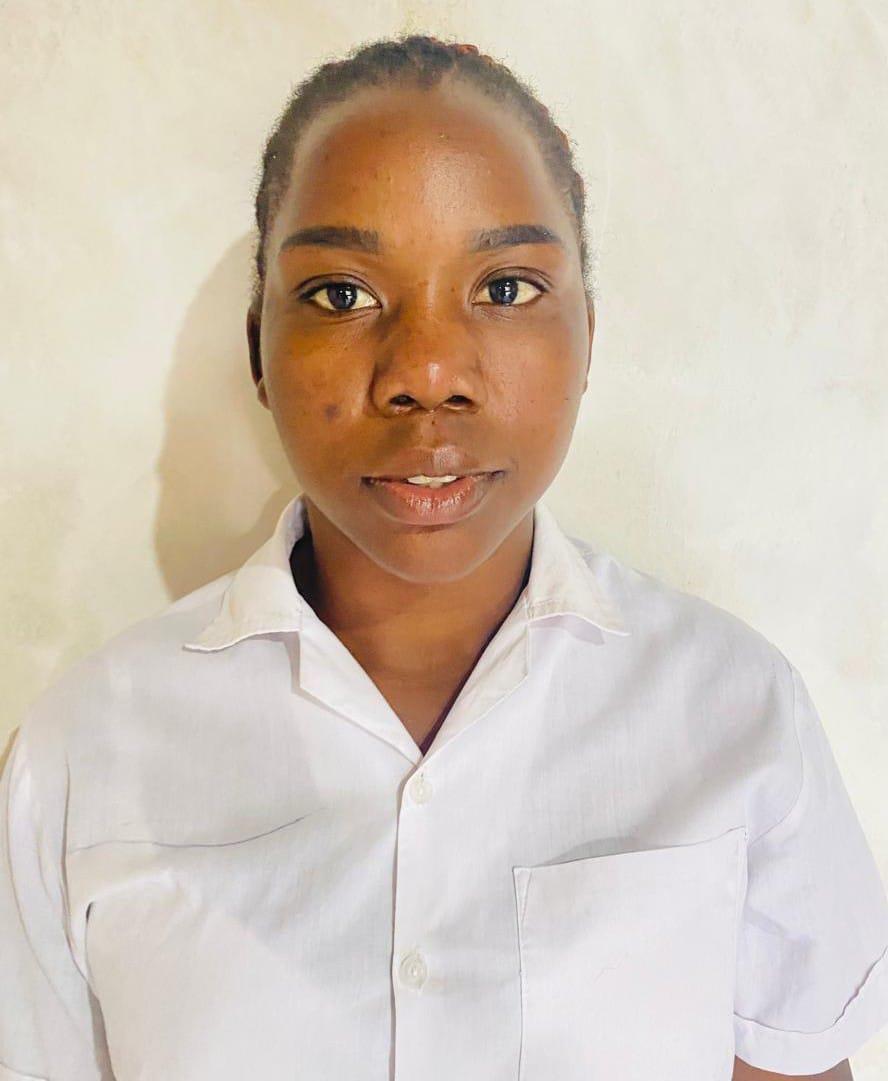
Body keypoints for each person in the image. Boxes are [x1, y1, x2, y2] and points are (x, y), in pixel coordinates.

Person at [1, 33, 886, 1081]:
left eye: (505, 288)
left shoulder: (735, 708)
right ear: (257, 350)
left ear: (588, 337)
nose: (425, 372)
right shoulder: (85, 754)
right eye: (342, 294)